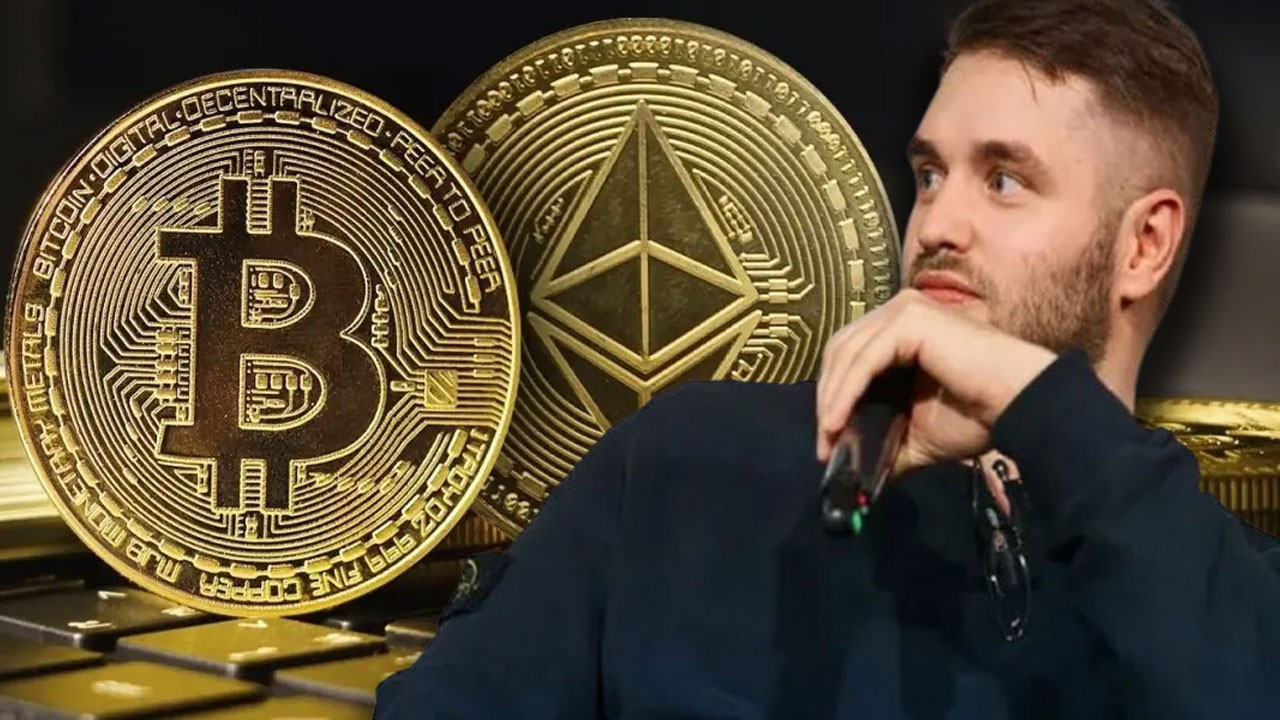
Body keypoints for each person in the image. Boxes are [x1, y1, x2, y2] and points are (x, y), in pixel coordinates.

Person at [375, 0, 1280, 716]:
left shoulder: (1220, 587)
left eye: (1004, 181)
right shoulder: (686, 464)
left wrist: (1044, 412)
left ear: (1144, 246)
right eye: (930, 174)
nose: (937, 225)